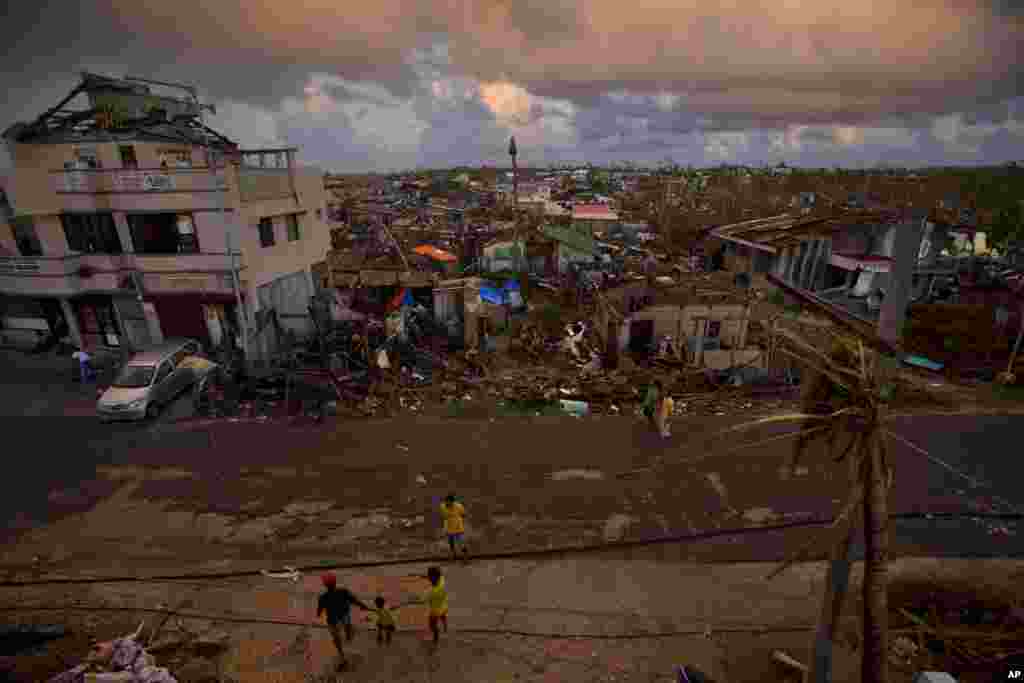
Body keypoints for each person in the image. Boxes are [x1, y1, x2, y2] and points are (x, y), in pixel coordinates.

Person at [316, 572, 371, 671]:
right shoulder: (343, 591)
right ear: (335, 582)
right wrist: (363, 606)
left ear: (324, 585)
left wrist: (318, 615)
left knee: (336, 638)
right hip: (344, 615)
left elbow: (319, 610)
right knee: (347, 625)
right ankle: (348, 634)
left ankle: (341, 654)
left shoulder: (323, 597)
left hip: (332, 620)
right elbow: (354, 600)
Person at [440, 494, 469, 562]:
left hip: (458, 527)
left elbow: (463, 514)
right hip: (449, 527)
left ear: (452, 502)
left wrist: (458, 520)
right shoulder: (442, 506)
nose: (448, 503)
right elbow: (443, 516)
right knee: (451, 543)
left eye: (449, 502)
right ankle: (453, 556)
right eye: (446, 501)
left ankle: (465, 557)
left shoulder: (458, 506)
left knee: (461, 543)